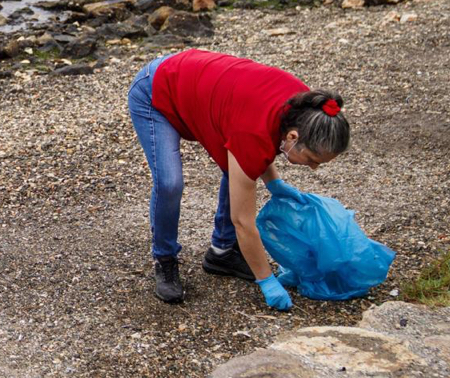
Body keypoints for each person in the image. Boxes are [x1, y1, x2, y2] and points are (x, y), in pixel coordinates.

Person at [126, 49, 350, 310]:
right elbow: (243, 221)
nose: (312, 168)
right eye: (312, 159)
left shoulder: (310, 111)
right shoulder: (261, 128)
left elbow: (258, 146)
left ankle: (222, 252)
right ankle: (164, 259)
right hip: (156, 90)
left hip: (197, 85)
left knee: (239, 169)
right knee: (170, 183)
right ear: (292, 138)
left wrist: (275, 184)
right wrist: (266, 280)